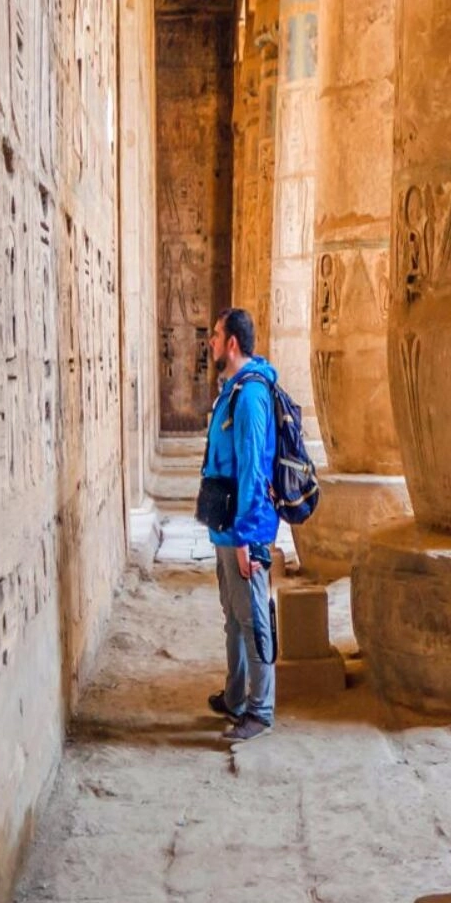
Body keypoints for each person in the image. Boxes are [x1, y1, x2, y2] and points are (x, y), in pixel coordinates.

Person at [200, 307, 281, 741]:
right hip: (226, 524)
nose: (211, 341)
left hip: (243, 529)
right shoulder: (233, 389)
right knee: (233, 614)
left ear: (232, 343)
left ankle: (260, 709)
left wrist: (247, 538)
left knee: (252, 618)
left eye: (216, 335)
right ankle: (235, 696)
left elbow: (252, 469)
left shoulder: (250, 396)